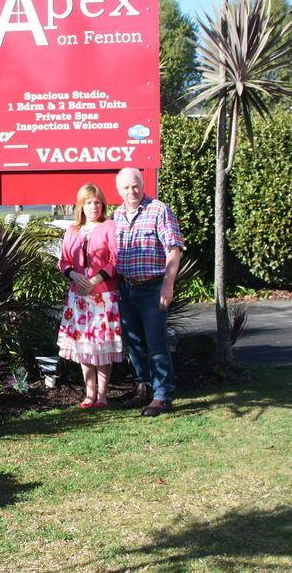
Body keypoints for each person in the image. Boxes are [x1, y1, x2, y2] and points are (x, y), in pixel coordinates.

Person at [113, 167, 184, 416]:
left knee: (156, 343)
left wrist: (168, 283)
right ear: (118, 190)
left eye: (135, 186)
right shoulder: (118, 214)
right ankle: (142, 388)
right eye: (125, 187)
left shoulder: (158, 210)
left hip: (153, 287)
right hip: (126, 288)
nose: (131, 191)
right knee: (134, 345)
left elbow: (173, 249)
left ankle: (162, 395)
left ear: (143, 185)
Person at [57, 183, 123, 408]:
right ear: (81, 206)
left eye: (97, 202)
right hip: (79, 298)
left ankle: (102, 395)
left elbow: (115, 260)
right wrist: (75, 276)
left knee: (102, 347)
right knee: (84, 347)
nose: (93, 206)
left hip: (103, 297)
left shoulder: (109, 226)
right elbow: (63, 261)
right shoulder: (72, 230)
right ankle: (89, 394)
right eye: (88, 202)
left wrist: (95, 280)